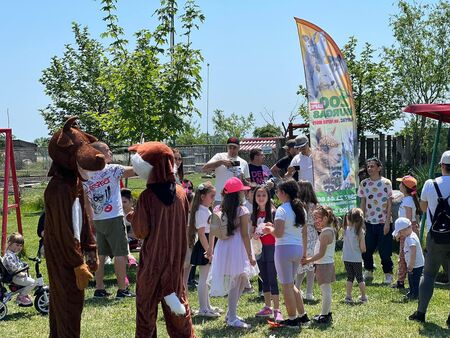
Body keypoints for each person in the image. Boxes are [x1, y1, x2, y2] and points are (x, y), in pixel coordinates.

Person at [82, 141, 136, 299]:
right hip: (114, 217)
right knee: (120, 253)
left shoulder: (86, 175)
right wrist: (140, 158)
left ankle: (99, 288)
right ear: (99, 155)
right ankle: (122, 289)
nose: (111, 152)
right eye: (108, 150)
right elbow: (134, 171)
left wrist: (91, 219)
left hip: (98, 219)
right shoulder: (113, 169)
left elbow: (86, 201)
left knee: (101, 254)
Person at [209, 177, 258, 329]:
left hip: (224, 246)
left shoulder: (219, 209)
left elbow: (213, 231)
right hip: (238, 246)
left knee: (240, 280)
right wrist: (250, 256)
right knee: (236, 282)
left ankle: (231, 313)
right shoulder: (242, 210)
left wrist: (210, 248)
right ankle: (231, 318)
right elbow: (244, 234)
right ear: (238, 194)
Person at [410, 150, 450, 327]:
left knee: (428, 274)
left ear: (442, 165)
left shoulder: (429, 184)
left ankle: (421, 312)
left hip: (436, 237)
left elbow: (424, 208)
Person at [263, 179, 310, 328]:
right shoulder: (301, 209)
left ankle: (292, 319)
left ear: (283, 193)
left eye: (277, 191)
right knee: (292, 285)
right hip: (297, 248)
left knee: (286, 286)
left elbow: (278, 233)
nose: (277, 194)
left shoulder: (282, 210)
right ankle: (302, 316)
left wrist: (269, 229)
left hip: (284, 249)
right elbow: (302, 232)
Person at [357, 157, 394, 284]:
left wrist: (387, 222)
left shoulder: (386, 183)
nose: (369, 169)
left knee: (385, 251)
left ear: (379, 168)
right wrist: (362, 221)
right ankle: (368, 271)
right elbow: (363, 202)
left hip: (383, 222)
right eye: (368, 166)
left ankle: (388, 274)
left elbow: (390, 203)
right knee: (366, 249)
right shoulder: (364, 183)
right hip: (368, 222)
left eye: (372, 166)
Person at [187, 181, 221, 317]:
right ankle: (203, 309)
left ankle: (207, 305)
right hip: (204, 246)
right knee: (203, 279)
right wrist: (209, 251)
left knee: (206, 279)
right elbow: (201, 234)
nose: (213, 199)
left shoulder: (205, 210)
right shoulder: (201, 212)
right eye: (211, 196)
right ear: (203, 197)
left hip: (208, 244)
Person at [302, 206, 338, 324]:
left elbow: (321, 254)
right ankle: (326, 313)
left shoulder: (325, 233)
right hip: (325, 264)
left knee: (325, 290)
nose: (317, 221)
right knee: (326, 290)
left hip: (324, 265)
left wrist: (308, 260)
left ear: (326, 217)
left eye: (319, 218)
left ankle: (324, 315)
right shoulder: (328, 230)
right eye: (315, 218)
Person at [252, 185, 283, 322]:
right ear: (254, 198)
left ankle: (277, 309)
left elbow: (279, 232)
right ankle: (267, 307)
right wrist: (254, 234)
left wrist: (270, 229)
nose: (261, 198)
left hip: (271, 247)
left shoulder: (274, 212)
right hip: (259, 248)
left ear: (268, 197)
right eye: (258, 195)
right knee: (263, 277)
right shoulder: (254, 214)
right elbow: (252, 231)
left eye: (263, 195)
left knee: (272, 278)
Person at [202, 137, 250, 206]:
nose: (232, 150)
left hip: (238, 199)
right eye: (230, 147)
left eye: (234, 148)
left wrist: (242, 179)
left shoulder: (243, 162)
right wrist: (221, 162)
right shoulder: (219, 156)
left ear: (239, 148)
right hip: (220, 198)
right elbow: (204, 169)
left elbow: (247, 182)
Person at [392, 175, 421, 289]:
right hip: (407, 229)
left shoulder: (408, 200)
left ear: (405, 187)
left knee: (403, 256)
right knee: (404, 255)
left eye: (401, 183)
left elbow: (408, 220)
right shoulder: (409, 199)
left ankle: (401, 281)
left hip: (406, 230)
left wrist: (401, 232)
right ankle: (402, 279)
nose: (399, 185)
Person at [296, 180, 319, 301]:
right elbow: (316, 222)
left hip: (300, 233)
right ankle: (309, 292)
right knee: (310, 265)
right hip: (312, 233)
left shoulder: (298, 205)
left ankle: (297, 289)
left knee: (302, 264)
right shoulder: (314, 205)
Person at [392, 217, 424, 301]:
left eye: (400, 232)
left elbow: (413, 251)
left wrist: (411, 264)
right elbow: (398, 235)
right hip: (412, 264)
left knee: (415, 281)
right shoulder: (409, 235)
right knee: (411, 279)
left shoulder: (411, 238)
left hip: (416, 265)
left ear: (405, 229)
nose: (400, 234)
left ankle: (416, 294)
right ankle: (412, 292)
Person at [2, 233, 35, 306]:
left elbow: (17, 263)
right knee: (33, 282)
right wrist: (22, 273)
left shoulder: (12, 254)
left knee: (29, 278)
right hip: (14, 277)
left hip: (15, 276)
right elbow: (14, 268)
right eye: (17, 245)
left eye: (21, 245)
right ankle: (21, 296)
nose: (19, 247)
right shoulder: (9, 256)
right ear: (10, 243)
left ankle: (24, 294)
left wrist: (23, 265)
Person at [342, 208, 367, 303]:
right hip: (356, 259)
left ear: (348, 218)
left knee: (350, 277)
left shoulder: (345, 230)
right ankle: (363, 296)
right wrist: (363, 250)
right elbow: (363, 248)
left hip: (346, 258)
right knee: (360, 278)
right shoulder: (360, 232)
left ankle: (348, 296)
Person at [121, 189, 139, 265]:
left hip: (132, 241)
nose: (122, 204)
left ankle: (129, 259)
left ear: (131, 202)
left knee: (121, 242)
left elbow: (135, 234)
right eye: (121, 202)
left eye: (125, 202)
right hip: (121, 239)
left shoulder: (135, 214)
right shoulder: (119, 214)